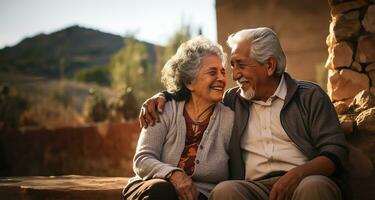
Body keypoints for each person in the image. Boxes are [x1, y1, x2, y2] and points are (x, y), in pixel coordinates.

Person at [139, 27, 349, 200]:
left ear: (269, 66)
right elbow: (195, 91)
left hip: (304, 180)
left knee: (314, 187)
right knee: (225, 191)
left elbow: (336, 151)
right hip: (254, 188)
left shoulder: (309, 96)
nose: (234, 75)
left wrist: (298, 174)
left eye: (240, 65)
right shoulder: (233, 100)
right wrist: (163, 96)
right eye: (231, 66)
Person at [123, 36, 234, 200]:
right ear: (189, 81)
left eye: (223, 72)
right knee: (160, 190)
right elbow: (142, 159)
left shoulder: (229, 119)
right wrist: (173, 175)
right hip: (156, 189)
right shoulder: (163, 109)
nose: (221, 78)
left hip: (202, 196)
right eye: (212, 72)